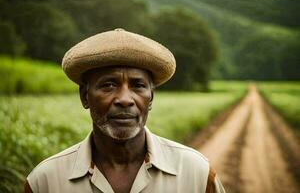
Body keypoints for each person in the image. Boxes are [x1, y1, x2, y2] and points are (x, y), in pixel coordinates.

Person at [24, 28, 225, 193]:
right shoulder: (45, 182)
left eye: (138, 85)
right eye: (109, 85)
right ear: (85, 96)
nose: (124, 100)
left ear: (151, 98)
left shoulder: (196, 175)